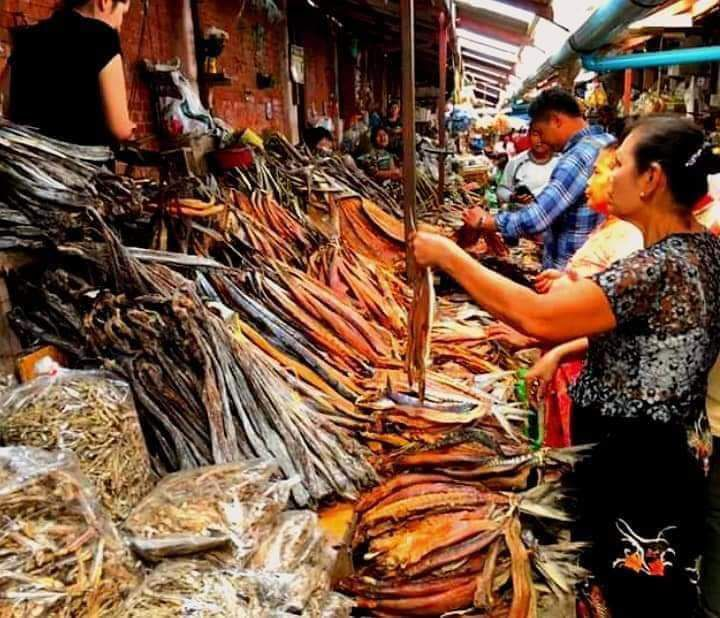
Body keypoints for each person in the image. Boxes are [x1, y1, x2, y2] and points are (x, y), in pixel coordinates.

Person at [411, 115, 720, 616]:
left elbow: (536, 317)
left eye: (619, 164)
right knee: (656, 590)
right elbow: (652, 340)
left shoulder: (654, 268)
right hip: (670, 455)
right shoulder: (702, 251)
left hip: (636, 468)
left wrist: (448, 256)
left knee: (634, 595)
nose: (610, 174)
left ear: (651, 179)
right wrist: (566, 351)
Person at [464, 88, 615, 270]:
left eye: (540, 132)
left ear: (556, 121)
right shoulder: (607, 142)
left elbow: (538, 217)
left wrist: (487, 222)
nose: (542, 140)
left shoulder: (578, 156)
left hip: (570, 275)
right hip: (593, 267)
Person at [1, 0, 134, 147]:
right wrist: (129, 128)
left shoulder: (26, 38)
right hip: (82, 166)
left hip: (27, 163)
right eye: (122, 13)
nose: (120, 24)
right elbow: (119, 128)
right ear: (105, 2)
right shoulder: (104, 36)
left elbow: (5, 104)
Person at [497, 127, 558, 207]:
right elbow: (501, 189)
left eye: (545, 135)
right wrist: (513, 197)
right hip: (523, 214)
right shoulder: (515, 162)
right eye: (535, 135)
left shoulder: (561, 161)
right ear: (528, 136)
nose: (540, 140)